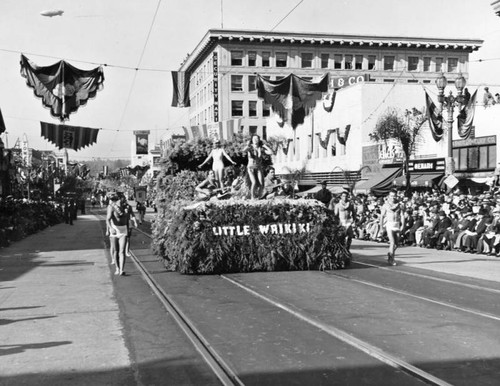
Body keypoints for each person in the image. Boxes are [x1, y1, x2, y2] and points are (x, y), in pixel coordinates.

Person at [242, 134, 274, 199]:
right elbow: (243, 150)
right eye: (254, 139)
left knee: (261, 184)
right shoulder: (250, 147)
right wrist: (247, 145)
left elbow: (271, 152)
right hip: (251, 167)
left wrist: (265, 146)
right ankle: (252, 197)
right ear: (252, 140)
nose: (255, 140)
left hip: (258, 168)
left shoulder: (261, 148)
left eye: (257, 139)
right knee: (254, 182)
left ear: (259, 140)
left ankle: (259, 197)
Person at [379, 189, 405, 266]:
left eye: (394, 196)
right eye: (391, 196)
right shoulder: (385, 205)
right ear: (388, 196)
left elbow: (402, 215)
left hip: (396, 224)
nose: (393, 197)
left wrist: (403, 225)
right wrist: (381, 228)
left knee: (397, 244)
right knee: (392, 243)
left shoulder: (400, 205)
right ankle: (392, 259)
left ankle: (390, 253)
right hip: (389, 225)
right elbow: (382, 217)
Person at [106, 194, 128, 275]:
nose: (121, 201)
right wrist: (110, 229)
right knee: (116, 251)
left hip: (123, 231)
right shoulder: (111, 207)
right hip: (115, 231)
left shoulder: (126, 207)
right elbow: (107, 220)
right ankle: (117, 268)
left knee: (122, 251)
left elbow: (128, 219)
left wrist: (128, 230)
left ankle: (122, 269)